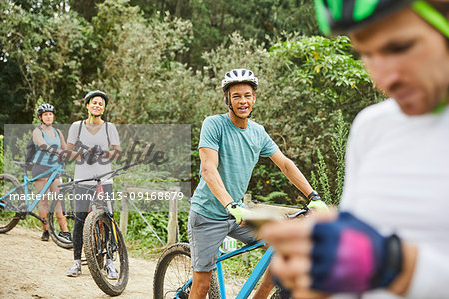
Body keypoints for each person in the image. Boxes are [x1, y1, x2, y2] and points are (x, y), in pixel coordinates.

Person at [260, 1, 449, 298]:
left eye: (399, 47)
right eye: (365, 54)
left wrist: (398, 267)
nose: (383, 80)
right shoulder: (372, 126)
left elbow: (376, 262)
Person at [188, 68, 326, 298]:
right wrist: (230, 204)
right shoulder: (214, 125)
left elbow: (285, 165)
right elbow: (208, 169)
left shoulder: (257, 132)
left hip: (238, 215)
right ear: (228, 100)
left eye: (247, 95)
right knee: (202, 285)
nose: (243, 101)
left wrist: (313, 197)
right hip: (208, 215)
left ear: (254, 98)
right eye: (236, 96)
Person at [65, 90, 122, 278]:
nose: (97, 105)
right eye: (94, 103)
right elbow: (68, 152)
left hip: (105, 179)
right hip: (82, 180)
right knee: (80, 219)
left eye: (100, 104)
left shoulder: (109, 128)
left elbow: (118, 153)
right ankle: (76, 262)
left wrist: (102, 153)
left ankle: (110, 262)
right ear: (87, 105)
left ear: (104, 109)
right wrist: (84, 155)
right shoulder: (77, 127)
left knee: (107, 219)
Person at [32, 103, 72, 242]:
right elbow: (42, 144)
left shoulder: (57, 132)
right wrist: (55, 151)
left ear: (53, 116)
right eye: (45, 115)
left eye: (50, 114)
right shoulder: (38, 131)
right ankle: (46, 230)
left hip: (55, 168)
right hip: (41, 167)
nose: (48, 117)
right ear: (41, 117)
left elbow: (65, 148)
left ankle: (64, 231)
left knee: (58, 199)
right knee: (44, 199)